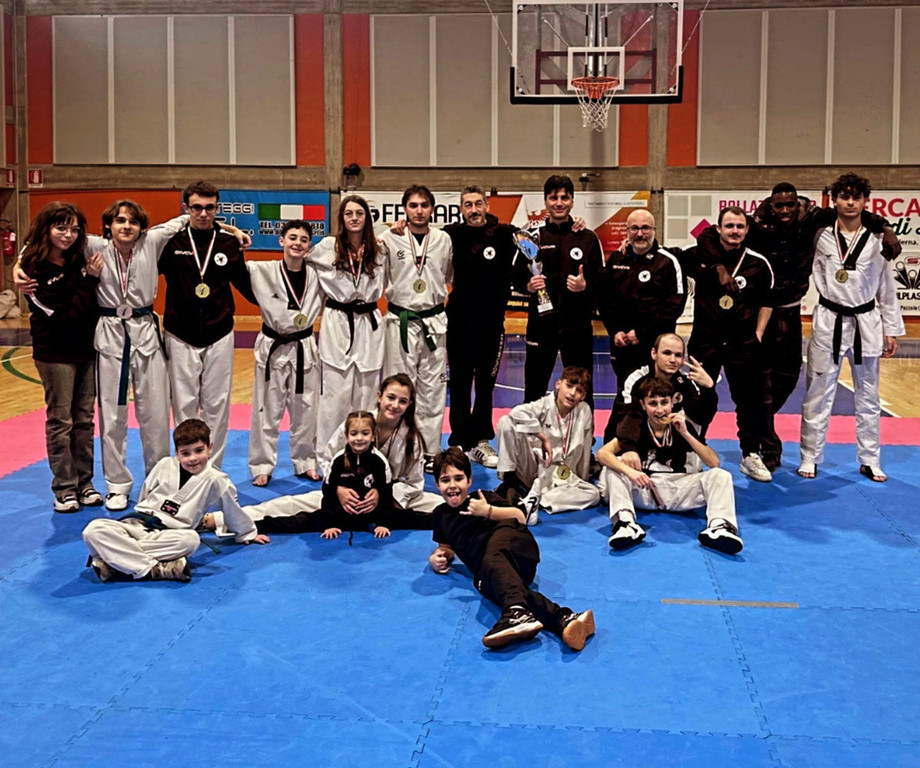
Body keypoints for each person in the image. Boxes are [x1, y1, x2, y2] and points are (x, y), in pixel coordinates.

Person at [696, 183, 899, 471]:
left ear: (797, 204)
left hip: (791, 312)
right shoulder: (756, 225)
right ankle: (765, 444)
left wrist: (886, 228)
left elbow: (853, 213)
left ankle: (760, 421)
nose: (784, 210)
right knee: (757, 383)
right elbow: (707, 235)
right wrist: (718, 266)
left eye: (789, 205)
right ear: (770, 205)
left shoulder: (812, 220)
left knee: (788, 377)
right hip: (759, 314)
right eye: (778, 205)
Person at [218, 375, 439, 532]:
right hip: (344, 494)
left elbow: (415, 483)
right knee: (290, 505)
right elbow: (328, 460)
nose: (395, 405)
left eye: (402, 401)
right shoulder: (357, 424)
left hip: (386, 500)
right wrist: (338, 490)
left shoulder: (412, 438)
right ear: (380, 397)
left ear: (409, 404)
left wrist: (383, 495)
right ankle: (219, 520)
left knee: (440, 505)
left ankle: (463, 513)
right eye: (391, 397)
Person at [428, 447, 595, 651]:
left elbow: (520, 516)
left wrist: (488, 511)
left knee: (494, 560)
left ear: (469, 480)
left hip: (516, 549)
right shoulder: (440, 515)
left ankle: (516, 613)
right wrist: (438, 557)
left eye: (458, 478)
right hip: (492, 571)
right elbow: (445, 546)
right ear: (437, 484)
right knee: (507, 591)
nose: (453, 485)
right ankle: (565, 619)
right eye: (445, 480)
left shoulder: (483, 498)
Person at [798, 173, 905, 482]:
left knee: (868, 395)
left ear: (865, 201)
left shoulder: (878, 239)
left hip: (865, 322)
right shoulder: (820, 235)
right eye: (844, 197)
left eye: (856, 197)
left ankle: (870, 459)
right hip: (828, 319)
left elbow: (886, 287)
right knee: (818, 392)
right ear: (834, 200)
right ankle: (810, 456)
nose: (850, 203)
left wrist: (891, 329)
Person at [89, 201, 192, 511]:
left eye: (133, 222)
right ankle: (116, 485)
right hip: (111, 333)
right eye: (120, 220)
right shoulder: (93, 246)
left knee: (156, 413)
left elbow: (188, 218)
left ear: (141, 227)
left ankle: (157, 482)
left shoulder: (152, 242)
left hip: (146, 332)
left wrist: (232, 230)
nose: (127, 226)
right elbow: (44, 239)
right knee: (112, 415)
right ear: (108, 225)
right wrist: (19, 265)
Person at [81, 418, 269, 583]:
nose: (193, 458)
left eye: (199, 450)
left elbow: (231, 508)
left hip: (169, 535)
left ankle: (114, 561)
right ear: (177, 453)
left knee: (191, 540)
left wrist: (246, 533)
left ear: (210, 448)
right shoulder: (164, 464)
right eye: (185, 453)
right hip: (136, 525)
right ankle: (153, 568)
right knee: (93, 530)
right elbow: (145, 494)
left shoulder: (216, 480)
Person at [158, 180, 257, 469]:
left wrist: (280, 306)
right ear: (186, 208)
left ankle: (212, 470)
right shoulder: (171, 242)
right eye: (197, 207)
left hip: (219, 331)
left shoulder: (228, 243)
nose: (203, 213)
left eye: (209, 208)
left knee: (217, 405)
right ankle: (187, 467)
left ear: (217, 208)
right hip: (180, 333)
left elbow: (247, 286)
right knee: (184, 406)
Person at [19, 202, 103, 512]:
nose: (68, 235)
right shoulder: (33, 270)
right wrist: (90, 280)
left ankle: (85, 483)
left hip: (86, 349)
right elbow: (64, 315)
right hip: (55, 352)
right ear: (46, 229)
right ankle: (65, 488)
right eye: (61, 228)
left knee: (84, 420)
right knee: (61, 420)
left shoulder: (77, 256)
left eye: (74, 229)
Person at [598, 377, 743, 554]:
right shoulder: (635, 427)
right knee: (613, 468)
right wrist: (631, 472)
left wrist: (686, 434)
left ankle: (719, 527)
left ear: (672, 403)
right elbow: (602, 454)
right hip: (645, 489)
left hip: (678, 489)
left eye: (664, 403)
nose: (660, 410)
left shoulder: (681, 425)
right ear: (643, 405)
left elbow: (714, 462)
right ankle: (626, 524)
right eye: (653, 404)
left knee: (721, 475)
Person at [687, 206, 775, 483]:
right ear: (719, 229)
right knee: (698, 397)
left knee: (748, 400)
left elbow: (767, 301)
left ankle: (750, 454)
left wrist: (758, 333)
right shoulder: (698, 256)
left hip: (742, 342)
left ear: (747, 230)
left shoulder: (758, 263)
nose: (734, 231)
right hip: (706, 340)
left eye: (739, 226)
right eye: (729, 226)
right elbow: (670, 259)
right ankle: (693, 451)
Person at [443, 186, 518, 468]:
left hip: (492, 322)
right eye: (467, 205)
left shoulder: (505, 234)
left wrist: (578, 224)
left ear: (487, 206)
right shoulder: (451, 235)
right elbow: (420, 237)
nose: (473, 210)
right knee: (459, 382)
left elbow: (536, 245)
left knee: (486, 384)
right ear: (461, 209)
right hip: (459, 320)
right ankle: (459, 441)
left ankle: (482, 441)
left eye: (478, 204)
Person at [381, 185, 453, 471]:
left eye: (424, 205)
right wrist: (388, 228)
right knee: (399, 390)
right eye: (413, 205)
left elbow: (450, 276)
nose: (419, 211)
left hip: (434, 321)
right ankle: (396, 448)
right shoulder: (390, 238)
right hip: (400, 321)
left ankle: (430, 451)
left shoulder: (443, 240)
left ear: (432, 208)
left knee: (433, 390)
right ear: (404, 209)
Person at [247, 219, 325, 486]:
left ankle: (306, 461)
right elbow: (230, 263)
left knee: (306, 409)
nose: (297, 244)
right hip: (273, 344)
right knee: (266, 410)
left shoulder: (318, 274)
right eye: (292, 238)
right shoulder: (262, 270)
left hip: (304, 345)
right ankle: (261, 465)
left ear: (309, 245)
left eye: (303, 240)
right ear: (281, 241)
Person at [308, 195, 386, 455]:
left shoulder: (379, 249)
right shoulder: (327, 247)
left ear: (367, 218)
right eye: (348, 213)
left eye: (359, 213)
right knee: (334, 395)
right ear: (341, 218)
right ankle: (327, 456)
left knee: (367, 392)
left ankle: (365, 453)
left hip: (369, 321)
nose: (354, 218)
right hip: (338, 321)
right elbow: (298, 259)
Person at [516, 175, 602, 407]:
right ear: (545, 201)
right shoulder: (533, 237)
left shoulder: (588, 238)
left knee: (582, 388)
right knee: (534, 387)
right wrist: (528, 286)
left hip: (577, 326)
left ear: (572, 201)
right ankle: (531, 430)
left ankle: (584, 430)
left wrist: (585, 287)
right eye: (554, 198)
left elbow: (601, 281)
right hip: (541, 325)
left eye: (565, 198)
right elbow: (516, 276)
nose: (559, 203)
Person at [255, 411, 394, 541]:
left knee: (405, 517)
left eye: (365, 433)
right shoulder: (339, 460)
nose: (359, 438)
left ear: (373, 436)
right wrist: (330, 524)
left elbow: (386, 495)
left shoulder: (380, 462)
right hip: (339, 516)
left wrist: (383, 523)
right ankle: (252, 526)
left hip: (371, 517)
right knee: (297, 522)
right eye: (354, 433)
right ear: (346, 437)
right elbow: (328, 494)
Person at [494, 365, 600, 524]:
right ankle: (509, 483)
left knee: (594, 494)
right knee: (505, 423)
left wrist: (581, 479)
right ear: (558, 384)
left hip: (563, 476)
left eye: (579, 390)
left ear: (583, 396)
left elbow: (585, 448)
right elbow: (515, 413)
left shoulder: (584, 411)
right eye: (569, 386)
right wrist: (541, 435)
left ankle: (535, 500)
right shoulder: (544, 404)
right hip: (533, 468)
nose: (572, 393)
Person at [597, 209, 686, 395]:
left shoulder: (668, 262)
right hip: (622, 344)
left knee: (657, 394)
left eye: (645, 228)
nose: (639, 234)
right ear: (627, 231)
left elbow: (674, 306)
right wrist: (614, 331)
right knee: (626, 392)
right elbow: (605, 300)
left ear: (654, 230)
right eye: (634, 228)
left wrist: (642, 333)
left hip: (654, 345)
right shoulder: (616, 258)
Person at [609, 332, 717, 452]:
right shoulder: (635, 380)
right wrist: (630, 451)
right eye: (667, 353)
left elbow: (701, 418)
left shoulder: (685, 383)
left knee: (687, 420)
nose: (672, 360)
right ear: (654, 353)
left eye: (678, 355)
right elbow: (628, 418)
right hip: (633, 442)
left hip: (668, 445)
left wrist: (709, 388)